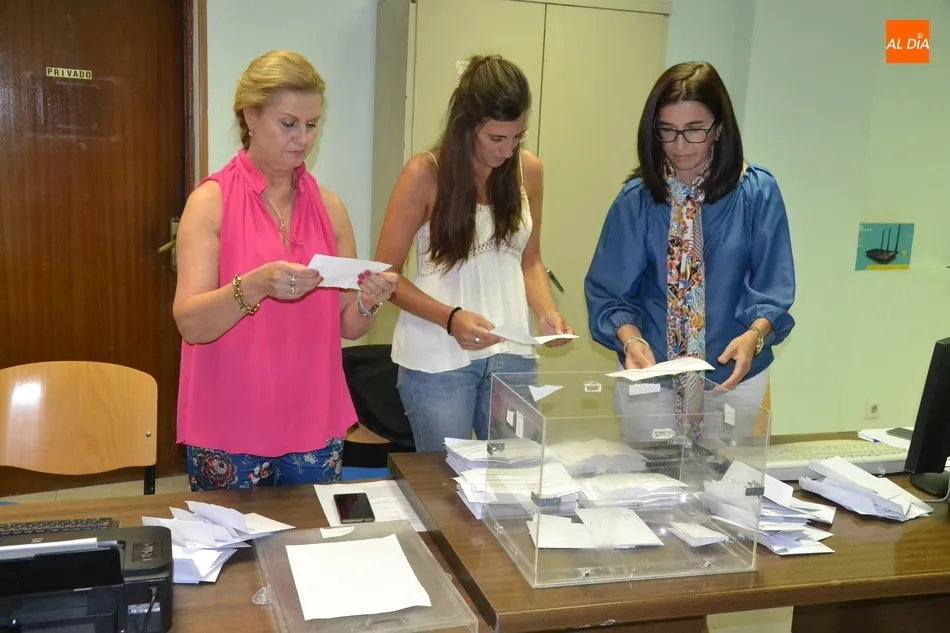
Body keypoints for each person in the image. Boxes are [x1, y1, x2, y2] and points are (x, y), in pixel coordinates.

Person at [173, 50, 397, 491]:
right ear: (250, 115)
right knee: (234, 538)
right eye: (289, 123)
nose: (303, 138)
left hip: (313, 418)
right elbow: (191, 323)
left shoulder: (331, 208)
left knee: (311, 533)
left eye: (312, 125)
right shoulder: (211, 202)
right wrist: (255, 284)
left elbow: (349, 327)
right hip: (231, 418)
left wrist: (369, 301)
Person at [374, 54, 572, 452]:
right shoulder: (424, 173)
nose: (507, 150)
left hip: (512, 354)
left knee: (519, 473)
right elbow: (385, 277)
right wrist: (451, 319)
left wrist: (547, 312)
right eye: (496, 138)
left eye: (518, 137)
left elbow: (529, 260)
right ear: (467, 126)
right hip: (439, 357)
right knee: (446, 480)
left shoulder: (529, 170)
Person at [585, 61, 795, 416]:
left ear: (719, 128)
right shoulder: (636, 200)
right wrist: (631, 339)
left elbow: (774, 286)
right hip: (650, 377)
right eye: (667, 130)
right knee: (646, 456)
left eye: (694, 130)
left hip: (734, 379)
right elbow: (609, 293)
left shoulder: (757, 193)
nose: (679, 146)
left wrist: (755, 336)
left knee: (729, 457)